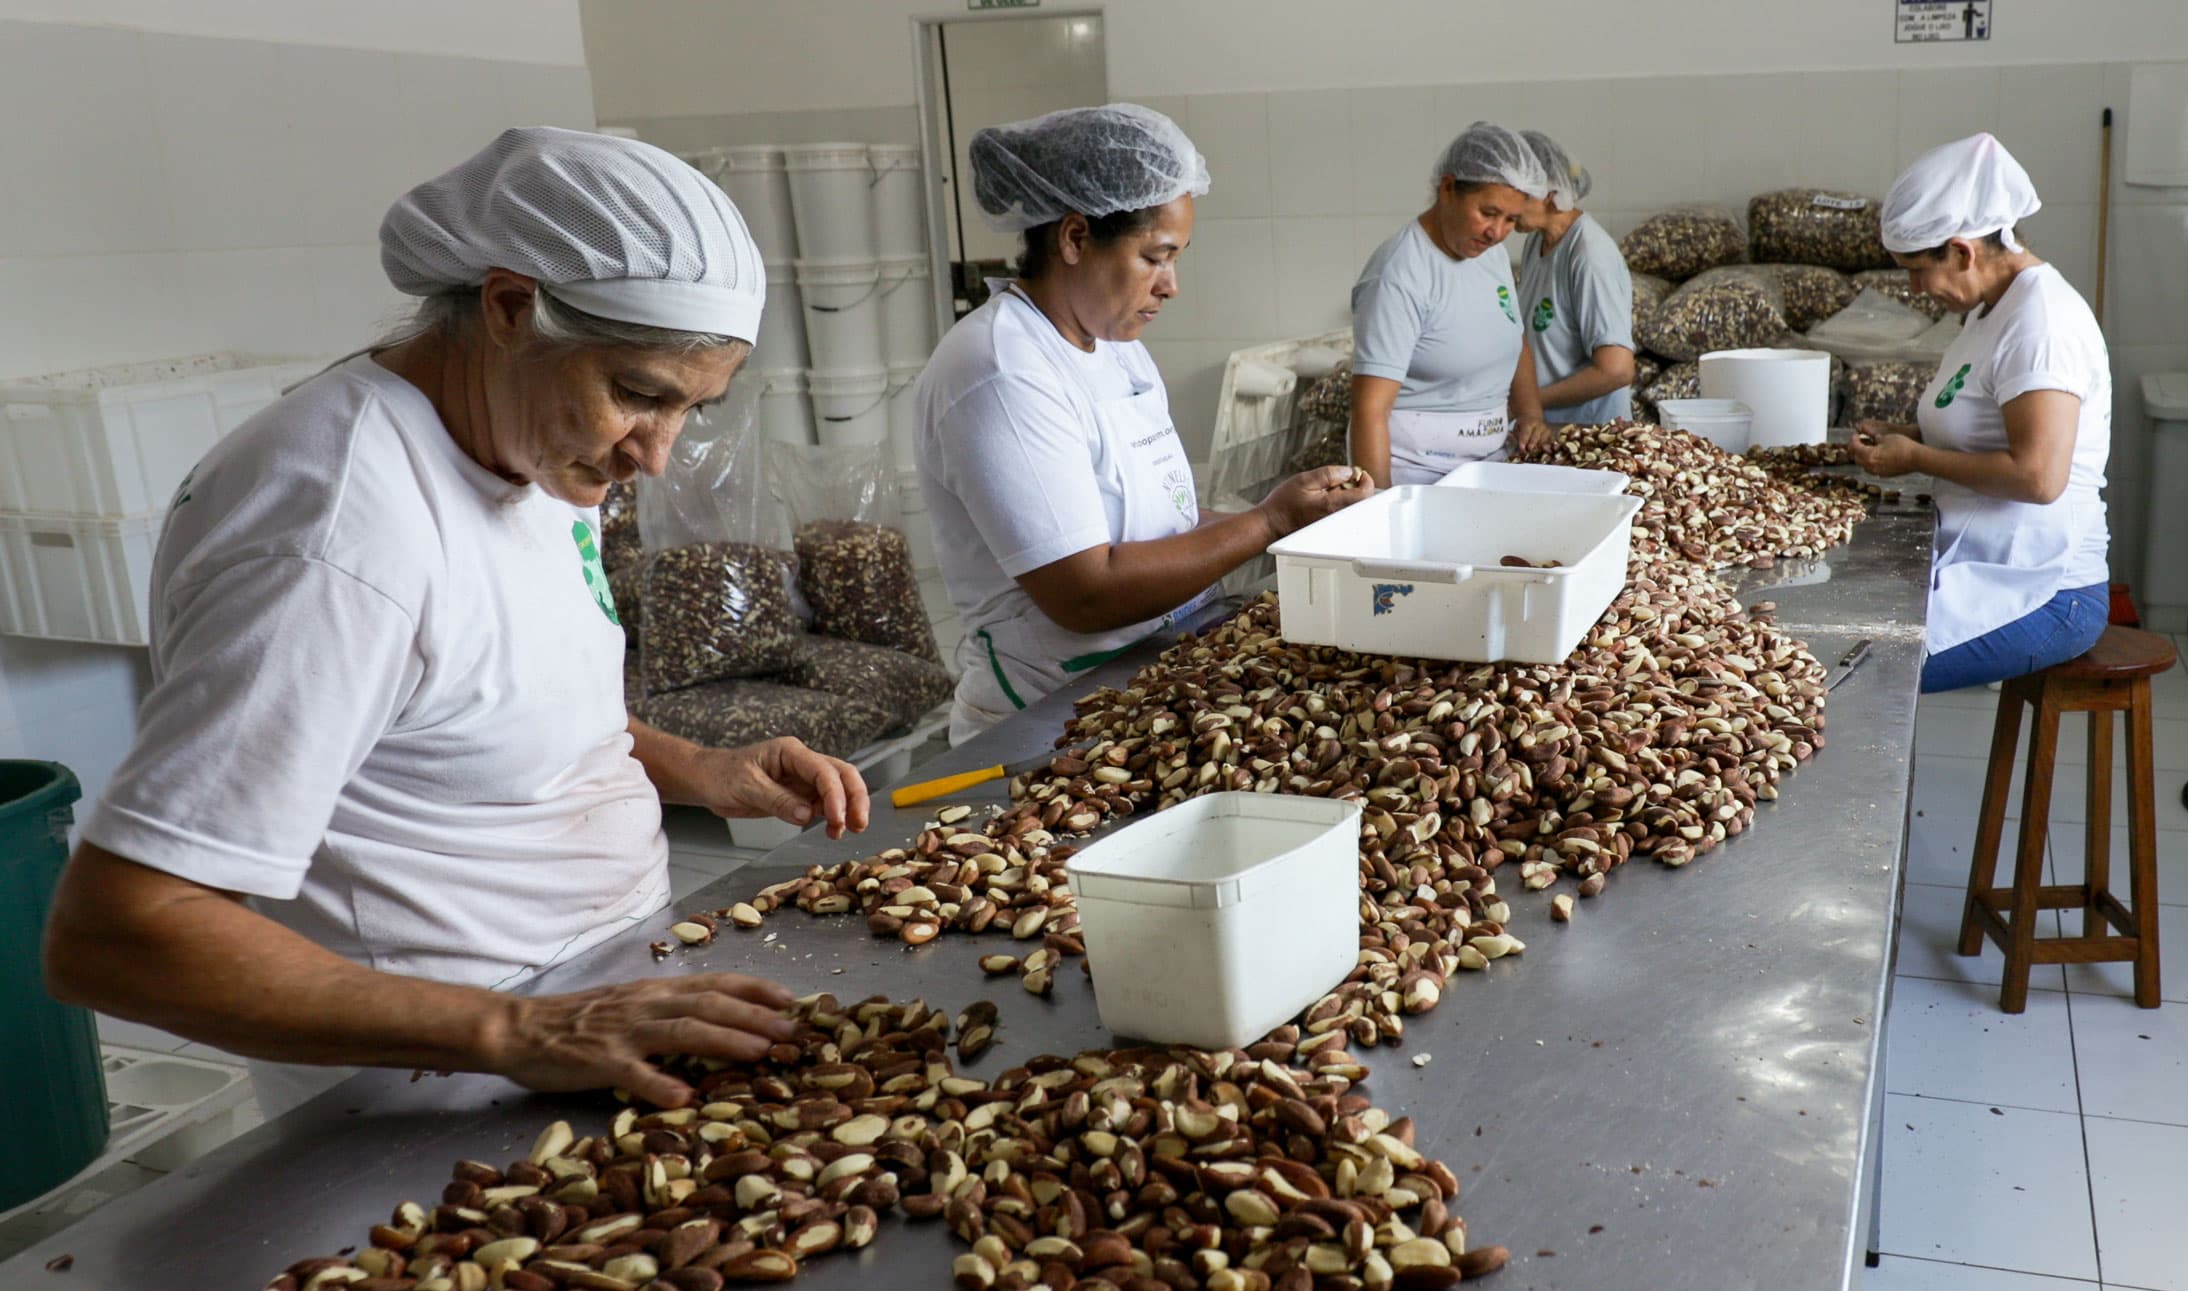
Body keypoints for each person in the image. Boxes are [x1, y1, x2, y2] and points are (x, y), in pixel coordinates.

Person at [43, 128, 871, 1115]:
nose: (654, 456)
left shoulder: (531, 440)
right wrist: (516, 1030)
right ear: (512, 307)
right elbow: (121, 932)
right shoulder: (334, 532)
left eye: (692, 408)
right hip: (440, 1091)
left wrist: (699, 767)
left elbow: (475, 699)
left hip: (599, 1009)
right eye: (639, 394)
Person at [917, 104, 1372, 743]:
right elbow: (1085, 593)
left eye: (1177, 258)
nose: (1172, 286)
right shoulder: (1001, 368)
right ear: (1075, 238)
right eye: (1156, 257)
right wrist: (1269, 522)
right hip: (1048, 715)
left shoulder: (1115, 344)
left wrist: (1288, 520)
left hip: (1143, 678)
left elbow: (1163, 526)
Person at [1847, 133, 2112, 693]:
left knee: (1854, 680)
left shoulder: (2042, 323)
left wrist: (1917, 456)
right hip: (1982, 566)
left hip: (2044, 589)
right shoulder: (1990, 310)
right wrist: (1908, 433)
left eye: (1919, 271)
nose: (1917, 289)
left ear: (1963, 252)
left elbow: (2038, 477)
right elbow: (1986, 426)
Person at [1348, 122, 1554, 487]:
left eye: (1511, 219)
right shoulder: (1399, 274)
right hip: (1417, 472)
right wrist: (1378, 507)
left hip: (1490, 461)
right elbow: (1370, 409)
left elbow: (1514, 337)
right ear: (1447, 189)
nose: (1498, 232)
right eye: (1488, 213)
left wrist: (1530, 413)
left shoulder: (1491, 255)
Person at [1513, 130, 1635, 426]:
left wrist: (1526, 403)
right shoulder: (1537, 241)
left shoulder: (1589, 255)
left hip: (1590, 435)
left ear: (1551, 194)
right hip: (1546, 429)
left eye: (1516, 194)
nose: (1507, 206)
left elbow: (1616, 369)